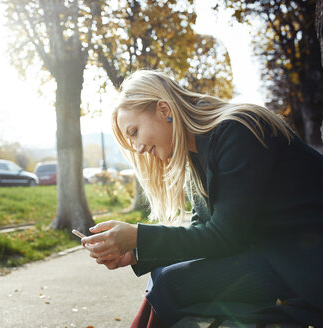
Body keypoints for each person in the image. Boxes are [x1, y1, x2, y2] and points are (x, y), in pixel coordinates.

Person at [80, 70, 323, 327]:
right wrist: (136, 253)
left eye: (134, 132)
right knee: (162, 275)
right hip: (273, 251)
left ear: (164, 110)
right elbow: (201, 232)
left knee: (170, 283)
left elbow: (225, 237)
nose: (138, 148)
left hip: (305, 262)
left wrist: (138, 235)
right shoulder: (196, 154)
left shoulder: (238, 130)